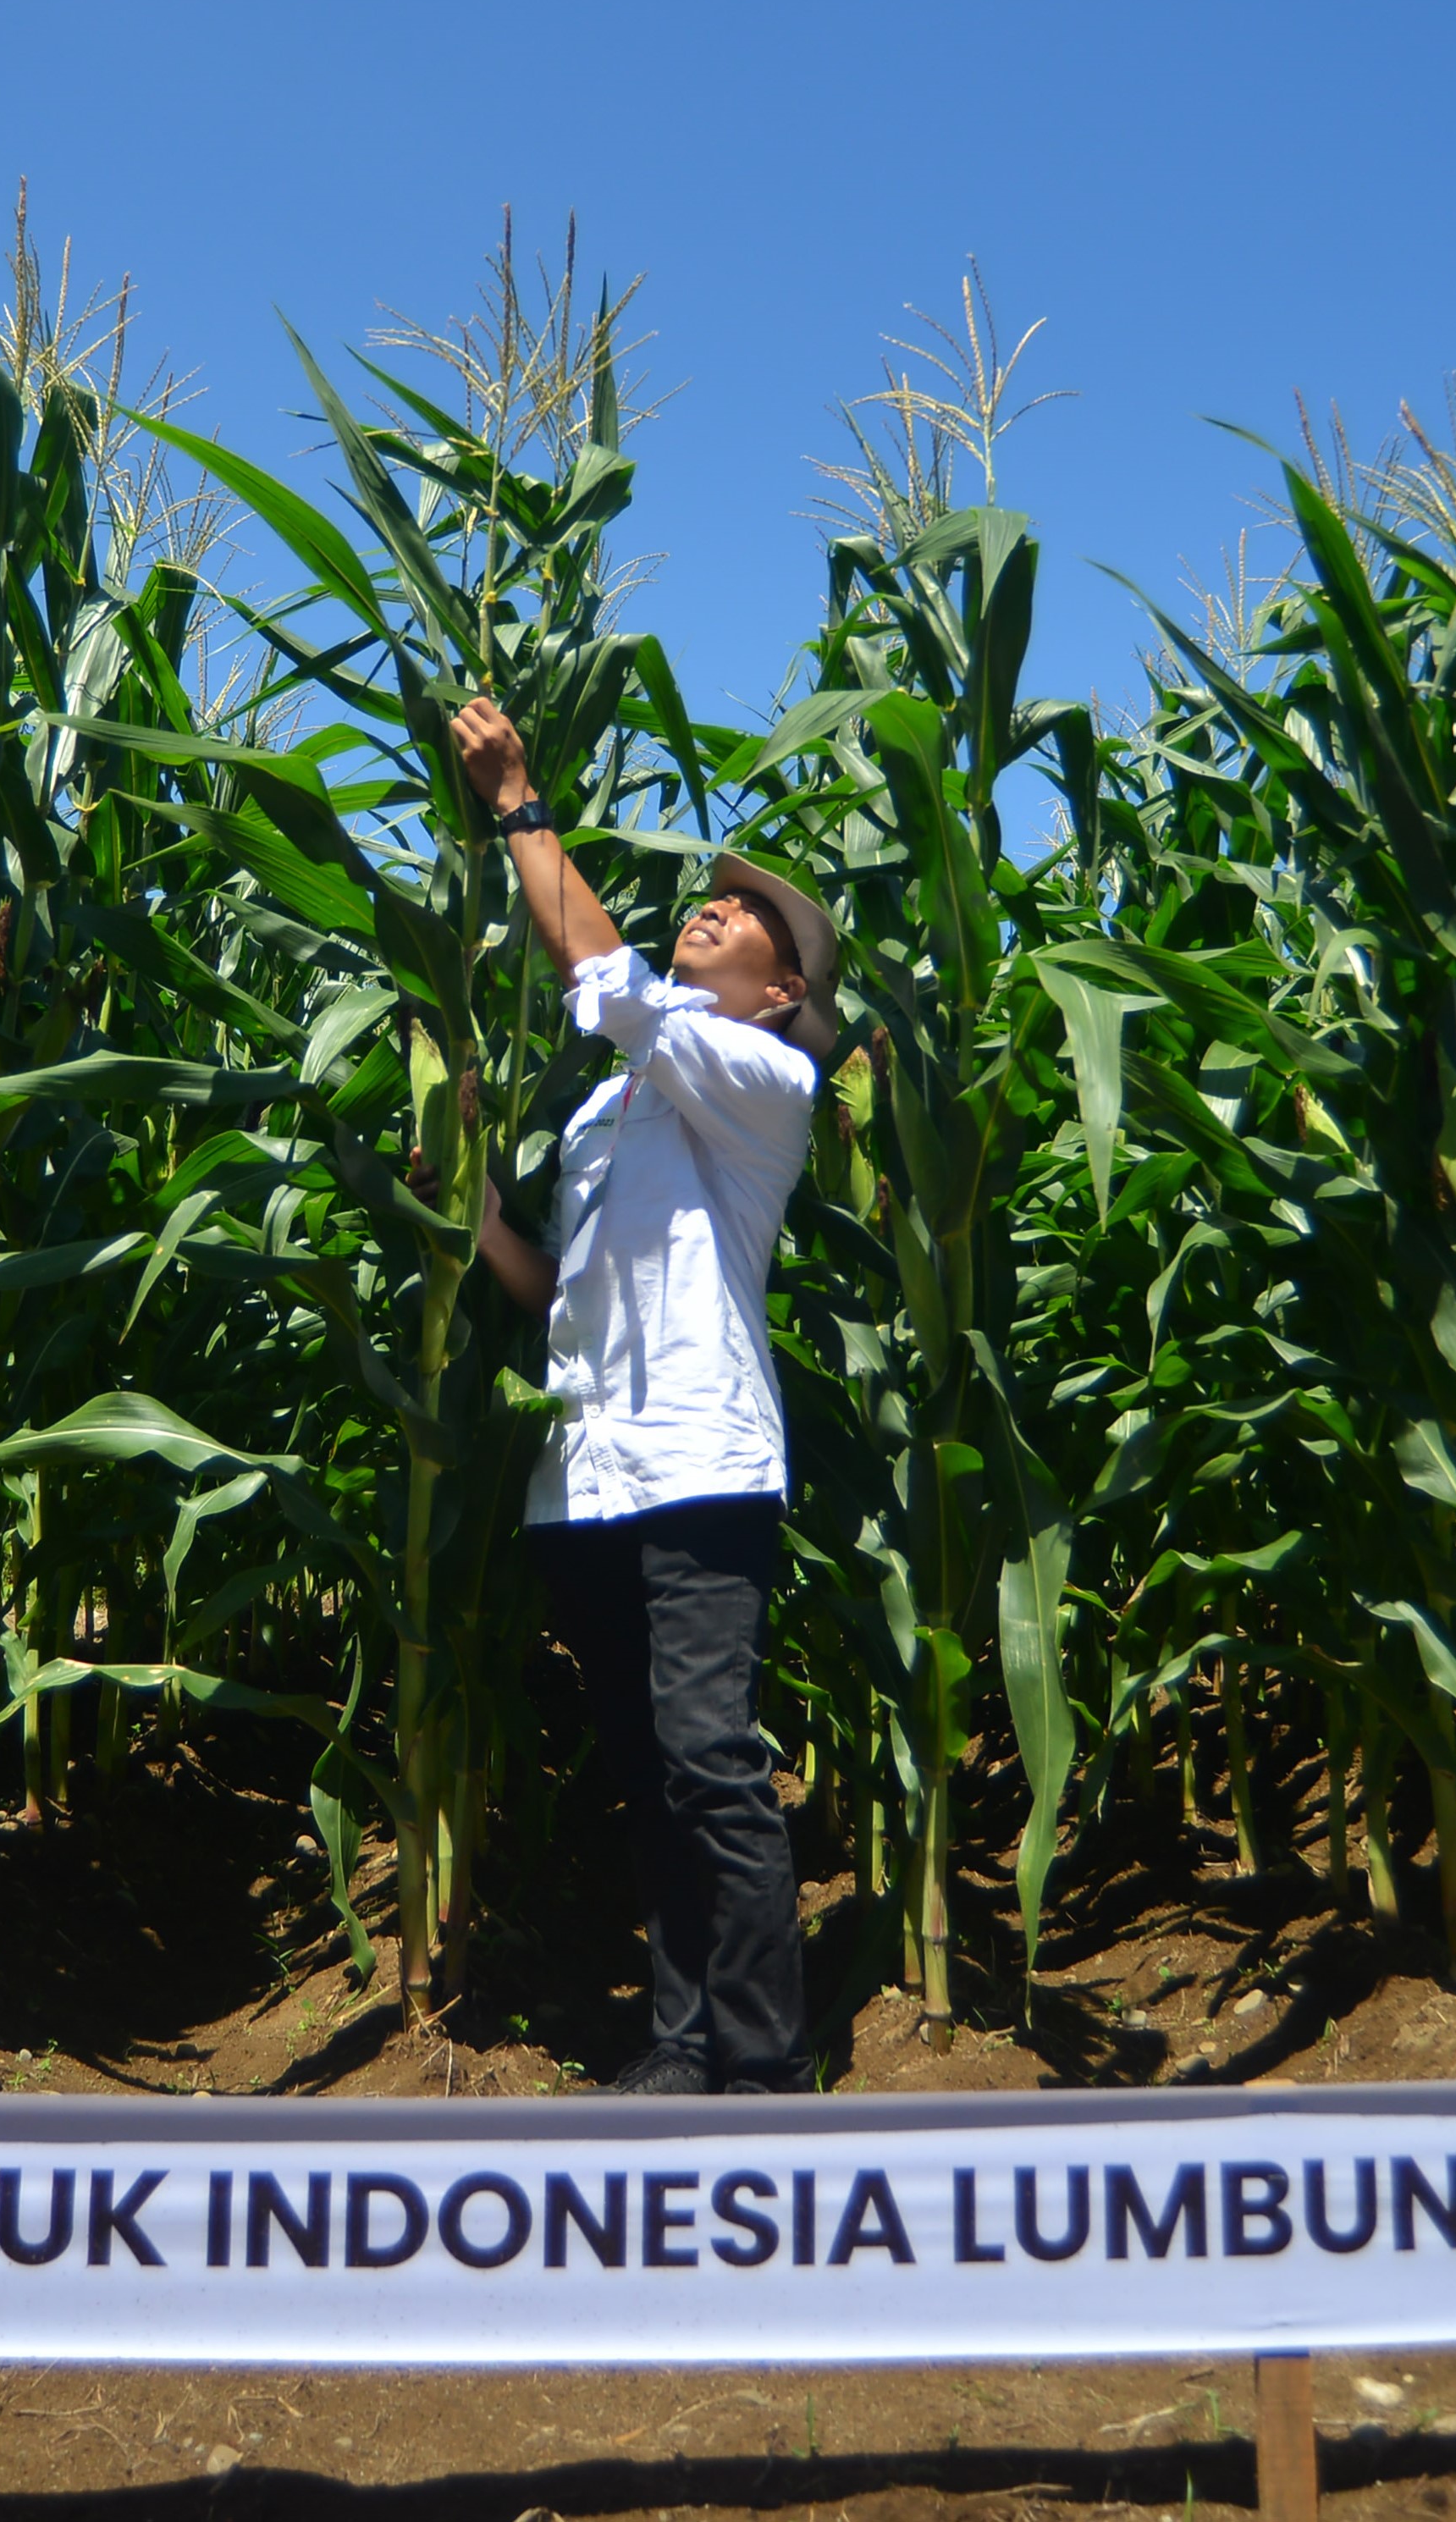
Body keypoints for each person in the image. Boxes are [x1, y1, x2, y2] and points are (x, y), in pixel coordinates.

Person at [445, 693, 837, 2095]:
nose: (715, 912)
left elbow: (611, 984)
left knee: (709, 1759)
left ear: (783, 989)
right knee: (646, 1773)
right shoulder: (611, 1110)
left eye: (746, 920)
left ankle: (765, 2066)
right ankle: (679, 2050)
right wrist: (475, 1217)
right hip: (587, 1477)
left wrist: (516, 802)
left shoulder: (763, 1076)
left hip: (699, 1470)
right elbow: (566, 1294)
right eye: (712, 903)